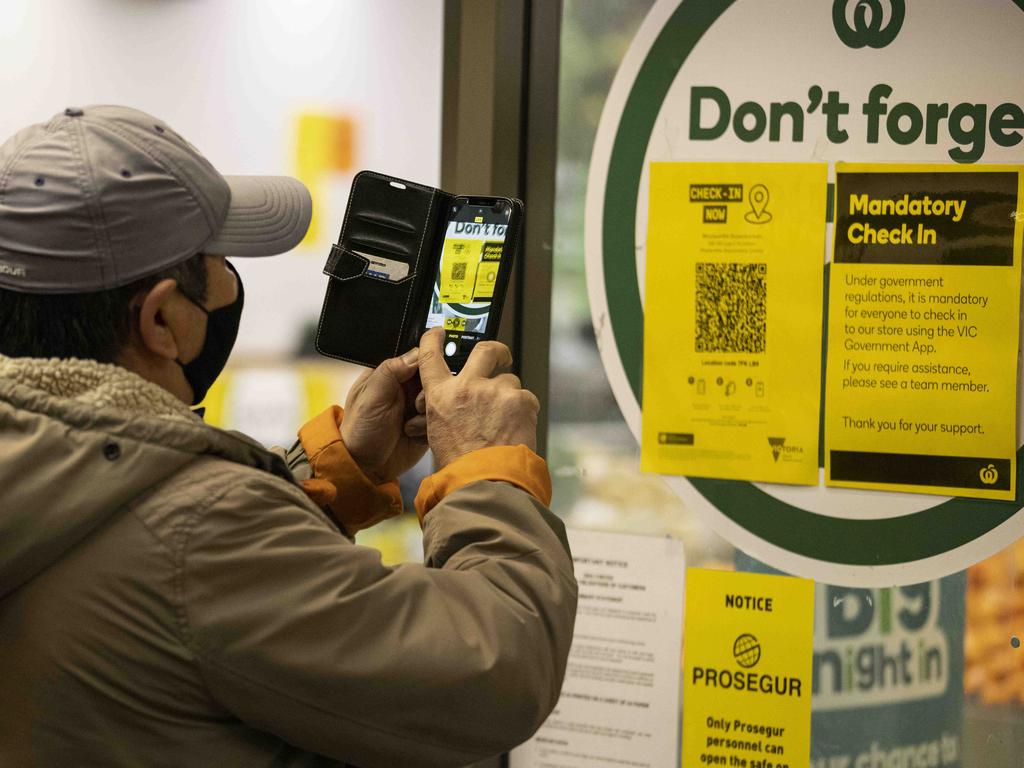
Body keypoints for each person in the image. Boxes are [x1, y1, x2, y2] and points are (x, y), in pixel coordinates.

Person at [0, 105, 577, 767]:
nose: (227, 281)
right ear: (163, 321)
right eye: (218, 260)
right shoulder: (203, 535)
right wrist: (487, 472)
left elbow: (153, 565)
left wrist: (338, 474)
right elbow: (493, 676)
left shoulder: (36, 468)